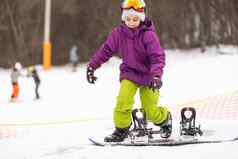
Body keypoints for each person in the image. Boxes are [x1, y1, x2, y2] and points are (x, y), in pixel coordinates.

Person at [86, 0, 172, 142]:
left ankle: (165, 119)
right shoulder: (118, 33)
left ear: (141, 18)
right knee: (123, 101)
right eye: (128, 19)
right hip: (130, 73)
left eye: (135, 19)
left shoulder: (148, 35)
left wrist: (157, 76)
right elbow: (106, 50)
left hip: (149, 76)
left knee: (150, 110)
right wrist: (92, 66)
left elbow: (157, 57)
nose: (131, 22)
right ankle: (121, 130)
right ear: (123, 18)